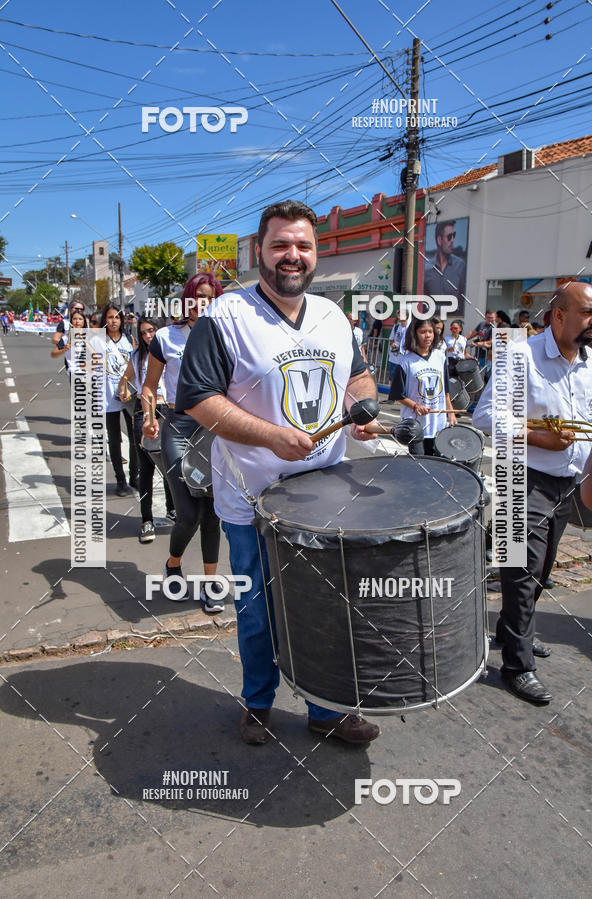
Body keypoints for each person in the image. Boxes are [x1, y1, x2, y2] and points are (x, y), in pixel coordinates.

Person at [176, 199, 381, 747]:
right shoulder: (225, 317)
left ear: (316, 254)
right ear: (259, 252)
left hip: (324, 496)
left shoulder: (333, 315)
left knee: (324, 606)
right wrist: (271, 436)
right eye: (281, 245)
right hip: (251, 501)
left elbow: (359, 377)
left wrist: (361, 409)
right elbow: (197, 398)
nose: (293, 255)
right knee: (258, 611)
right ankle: (258, 702)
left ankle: (325, 708)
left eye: (303, 245)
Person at [473, 282, 592, 705]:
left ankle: (511, 631)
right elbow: (485, 416)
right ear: (559, 316)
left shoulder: (591, 362)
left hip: (565, 482)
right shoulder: (521, 355)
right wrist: (537, 438)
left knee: (542, 571)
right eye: (587, 312)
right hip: (520, 477)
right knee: (522, 571)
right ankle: (517, 665)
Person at [142, 273, 223, 613]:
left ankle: (210, 584)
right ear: (187, 299)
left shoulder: (225, 336)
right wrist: (149, 417)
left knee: (212, 513)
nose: (203, 303)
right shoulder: (165, 337)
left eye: (210, 297)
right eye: (197, 296)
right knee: (188, 514)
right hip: (177, 427)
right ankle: (173, 563)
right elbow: (149, 386)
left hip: (214, 430)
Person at [119, 317, 175, 543]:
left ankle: (173, 510)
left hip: (169, 410)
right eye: (143, 333)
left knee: (171, 465)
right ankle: (146, 520)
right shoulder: (138, 356)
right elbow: (125, 380)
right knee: (146, 469)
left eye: (151, 330)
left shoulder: (170, 351)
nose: (148, 336)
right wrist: (124, 389)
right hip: (145, 412)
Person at [388, 316, 456, 453]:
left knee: (436, 460)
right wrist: (415, 406)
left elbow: (445, 389)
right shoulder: (406, 361)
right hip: (415, 424)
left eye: (430, 331)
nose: (427, 335)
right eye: (423, 332)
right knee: (419, 461)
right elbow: (397, 394)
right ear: (415, 334)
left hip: (437, 421)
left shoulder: (440, 357)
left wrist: (451, 412)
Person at [93, 304, 138, 497]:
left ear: (122, 320)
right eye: (110, 317)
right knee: (114, 438)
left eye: (117, 317)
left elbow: (136, 365)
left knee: (135, 437)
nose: (113, 321)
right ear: (105, 319)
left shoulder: (129, 339)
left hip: (129, 394)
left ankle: (134, 476)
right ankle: (120, 480)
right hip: (107, 395)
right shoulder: (97, 340)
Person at [423, 220, 466, 302]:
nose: (452, 240)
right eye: (449, 237)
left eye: (454, 236)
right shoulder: (426, 269)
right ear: (439, 240)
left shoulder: (460, 266)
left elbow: (463, 301)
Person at [50, 307, 88, 376]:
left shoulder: (90, 337)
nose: (77, 321)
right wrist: (64, 349)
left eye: (80, 319)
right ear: (71, 321)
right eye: (74, 319)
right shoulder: (66, 338)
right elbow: (53, 354)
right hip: (74, 372)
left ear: (84, 321)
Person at [388, 309, 408, 383]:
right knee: (392, 380)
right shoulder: (396, 327)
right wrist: (393, 343)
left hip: (405, 359)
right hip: (394, 358)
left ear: (406, 316)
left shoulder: (410, 328)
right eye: (398, 315)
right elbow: (391, 339)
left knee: (403, 381)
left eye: (401, 315)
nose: (399, 317)